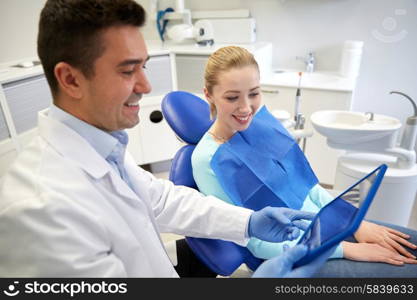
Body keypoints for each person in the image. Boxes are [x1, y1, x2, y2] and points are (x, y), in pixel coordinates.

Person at [0, 0, 331, 278]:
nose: (145, 86)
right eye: (128, 71)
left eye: (143, 66)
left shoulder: (102, 147)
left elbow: (160, 199)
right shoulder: (41, 212)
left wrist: (249, 222)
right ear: (70, 79)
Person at [191, 45, 417, 277]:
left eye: (254, 93)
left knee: (412, 244)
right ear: (208, 94)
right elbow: (254, 240)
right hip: (289, 256)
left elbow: (308, 188)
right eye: (232, 97)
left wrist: (353, 223)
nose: (246, 107)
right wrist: (345, 249)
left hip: (328, 227)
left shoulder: (261, 124)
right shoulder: (207, 160)